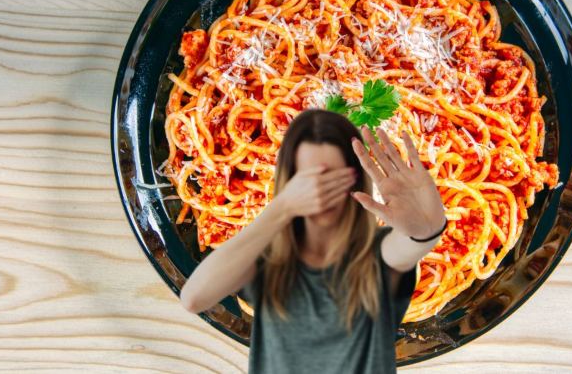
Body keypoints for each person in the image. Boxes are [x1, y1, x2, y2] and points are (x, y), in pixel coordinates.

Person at [179, 108, 448, 373]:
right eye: (305, 180)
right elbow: (194, 298)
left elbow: (407, 246)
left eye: (335, 178)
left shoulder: (375, 255)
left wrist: (427, 229)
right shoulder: (269, 259)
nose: (320, 192)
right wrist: (281, 209)